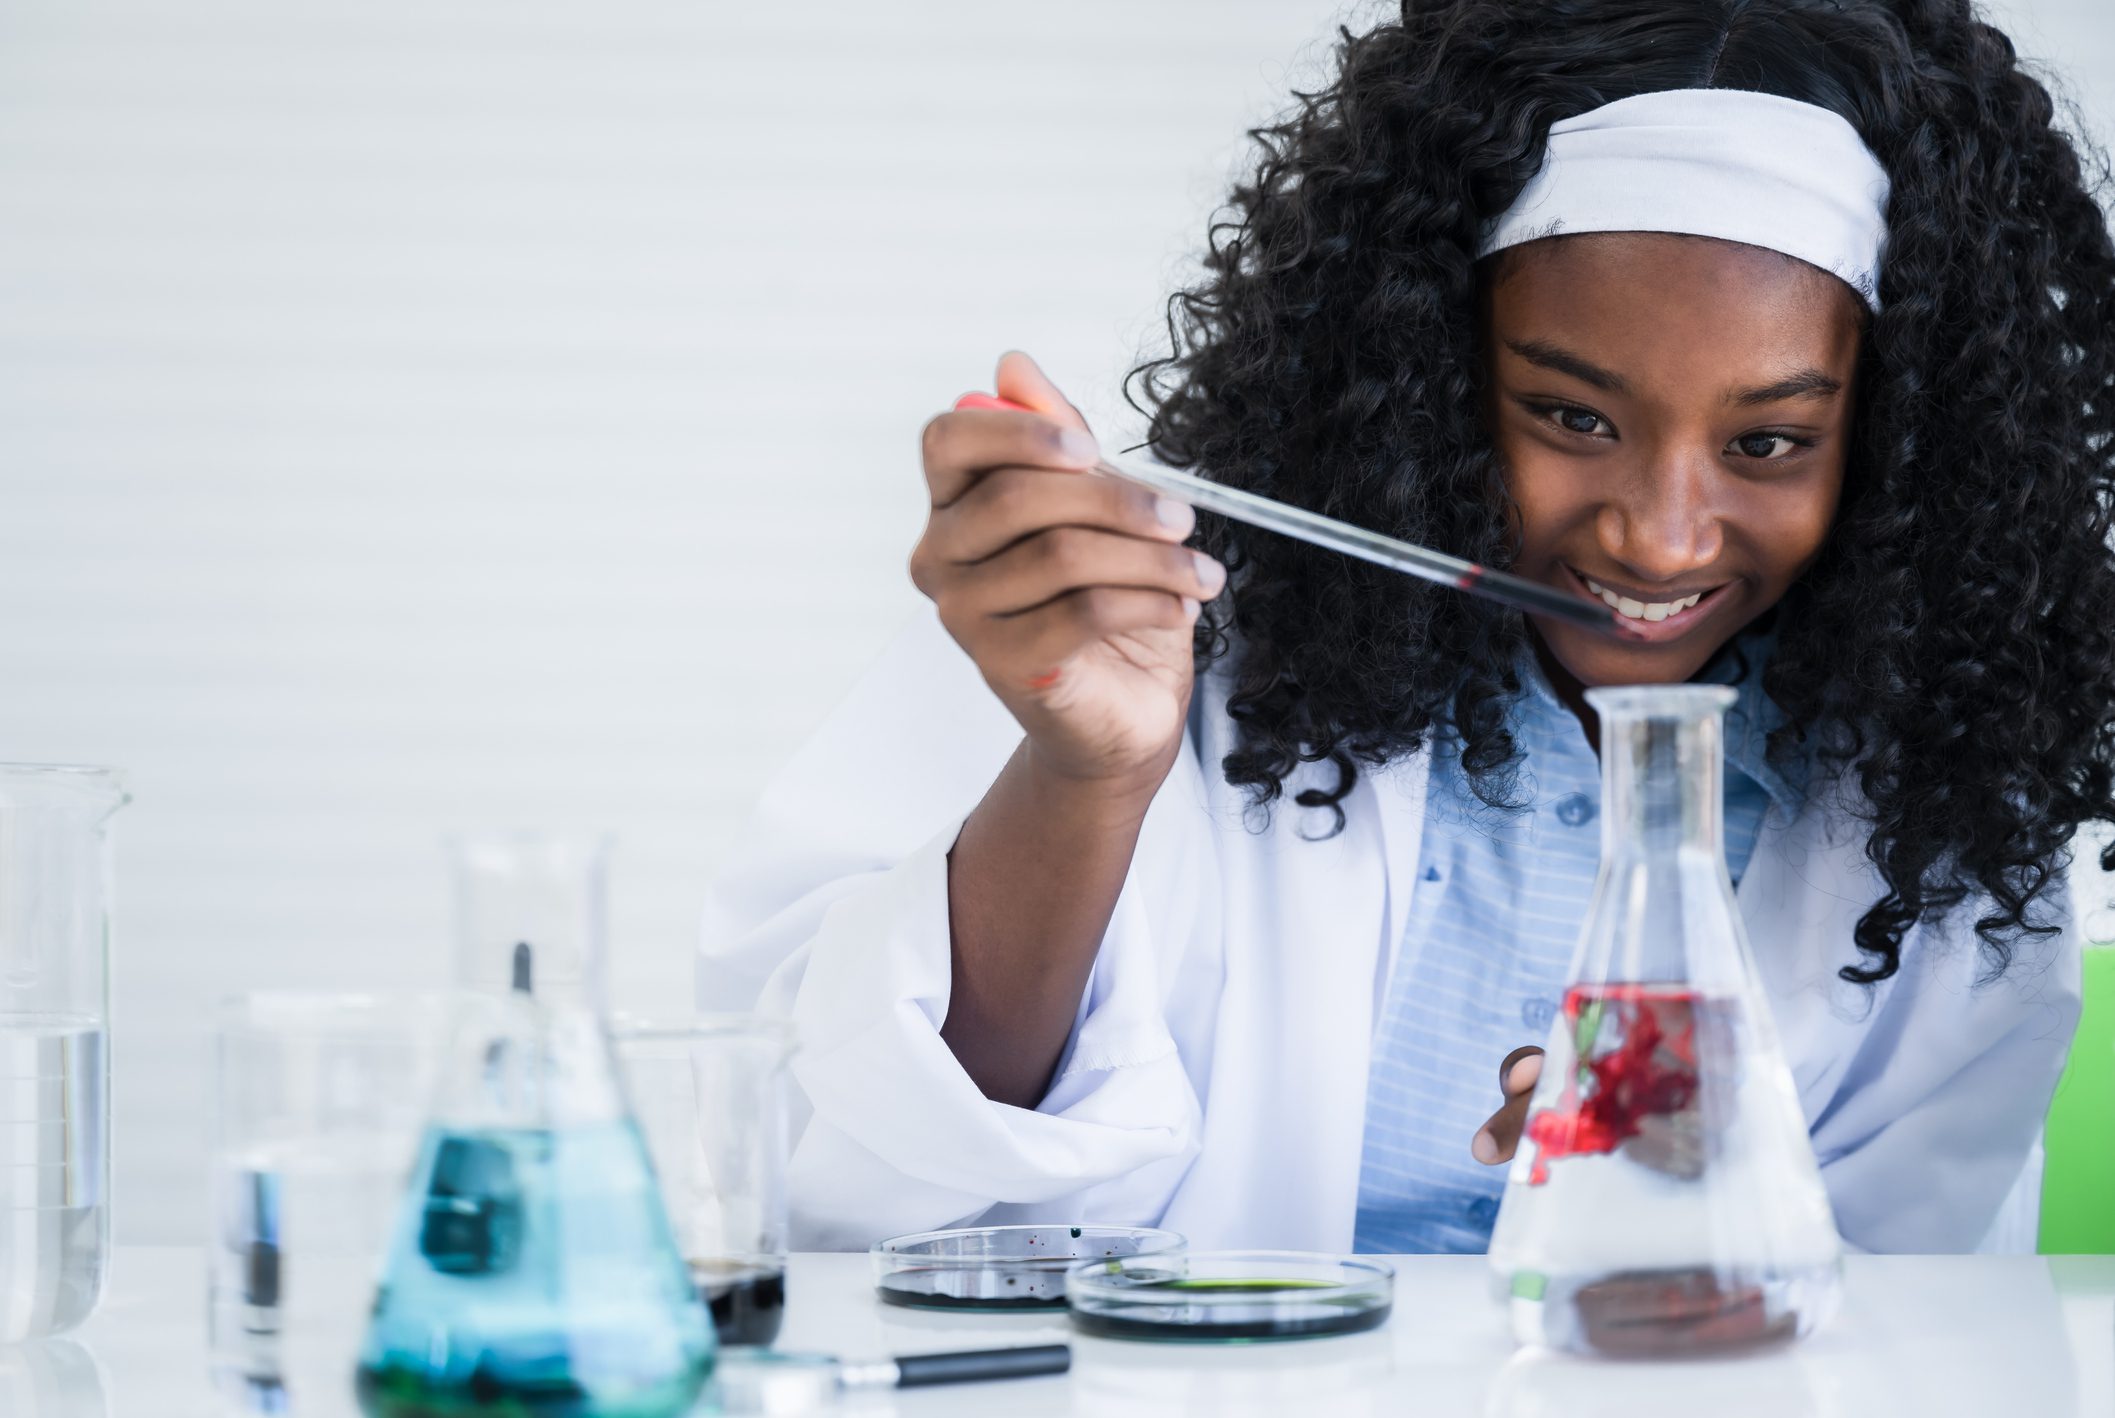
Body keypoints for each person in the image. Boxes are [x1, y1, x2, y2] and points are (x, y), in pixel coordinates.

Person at [700, 0, 2115, 1254]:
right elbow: (845, 1168)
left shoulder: (1950, 792)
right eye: (1572, 416)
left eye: (1768, 443)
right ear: (1431, 366)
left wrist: (1712, 1212)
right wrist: (1090, 776)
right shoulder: (1141, 614)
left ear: (1898, 437)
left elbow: (1930, 1322)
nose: (1661, 537)